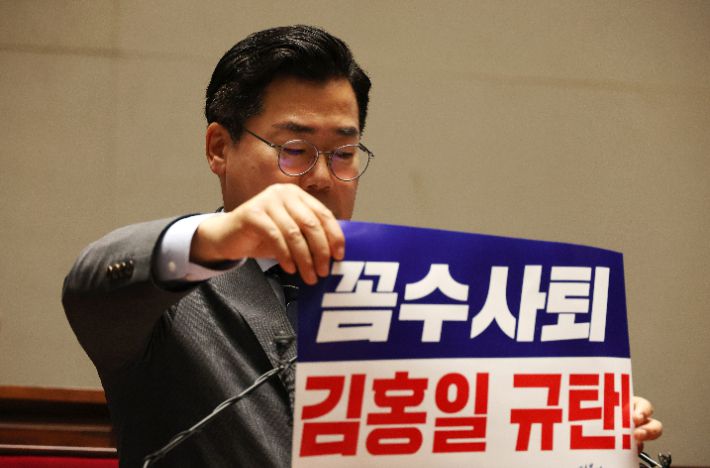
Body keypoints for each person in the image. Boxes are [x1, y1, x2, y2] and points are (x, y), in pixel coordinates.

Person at [62, 25, 662, 467]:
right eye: (294, 150)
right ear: (220, 148)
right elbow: (93, 281)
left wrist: (577, 438)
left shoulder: (418, 295)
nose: (322, 177)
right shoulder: (174, 296)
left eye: (344, 153)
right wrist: (222, 234)